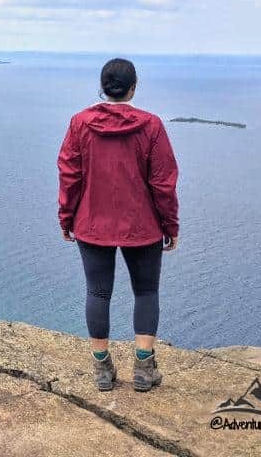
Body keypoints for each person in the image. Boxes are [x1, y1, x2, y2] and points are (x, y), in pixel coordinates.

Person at [57, 58, 179, 393]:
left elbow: (70, 175)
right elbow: (163, 182)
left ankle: (102, 370)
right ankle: (143, 367)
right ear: (133, 87)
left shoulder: (79, 123)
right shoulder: (151, 126)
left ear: (102, 87)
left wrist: (66, 217)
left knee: (97, 292)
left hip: (92, 222)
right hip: (143, 225)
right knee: (147, 291)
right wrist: (170, 224)